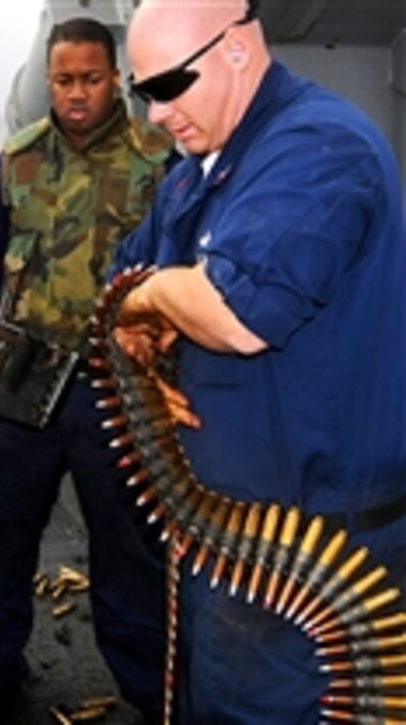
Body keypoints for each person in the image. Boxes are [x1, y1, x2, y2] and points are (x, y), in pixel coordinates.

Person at [111, 0, 406, 721]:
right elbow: (122, 279)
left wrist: (156, 294)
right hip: (230, 539)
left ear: (237, 50)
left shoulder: (319, 148)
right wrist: (140, 316)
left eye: (170, 84)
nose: (155, 114)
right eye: (143, 91)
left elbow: (237, 318)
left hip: (323, 546)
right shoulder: (198, 169)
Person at [0, 17, 174, 724]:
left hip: (121, 385)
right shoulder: (12, 163)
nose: (78, 94)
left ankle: (150, 688)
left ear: (117, 79)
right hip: (26, 377)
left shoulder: (159, 161)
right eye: (65, 80)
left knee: (130, 543)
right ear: (49, 82)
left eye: (92, 78)